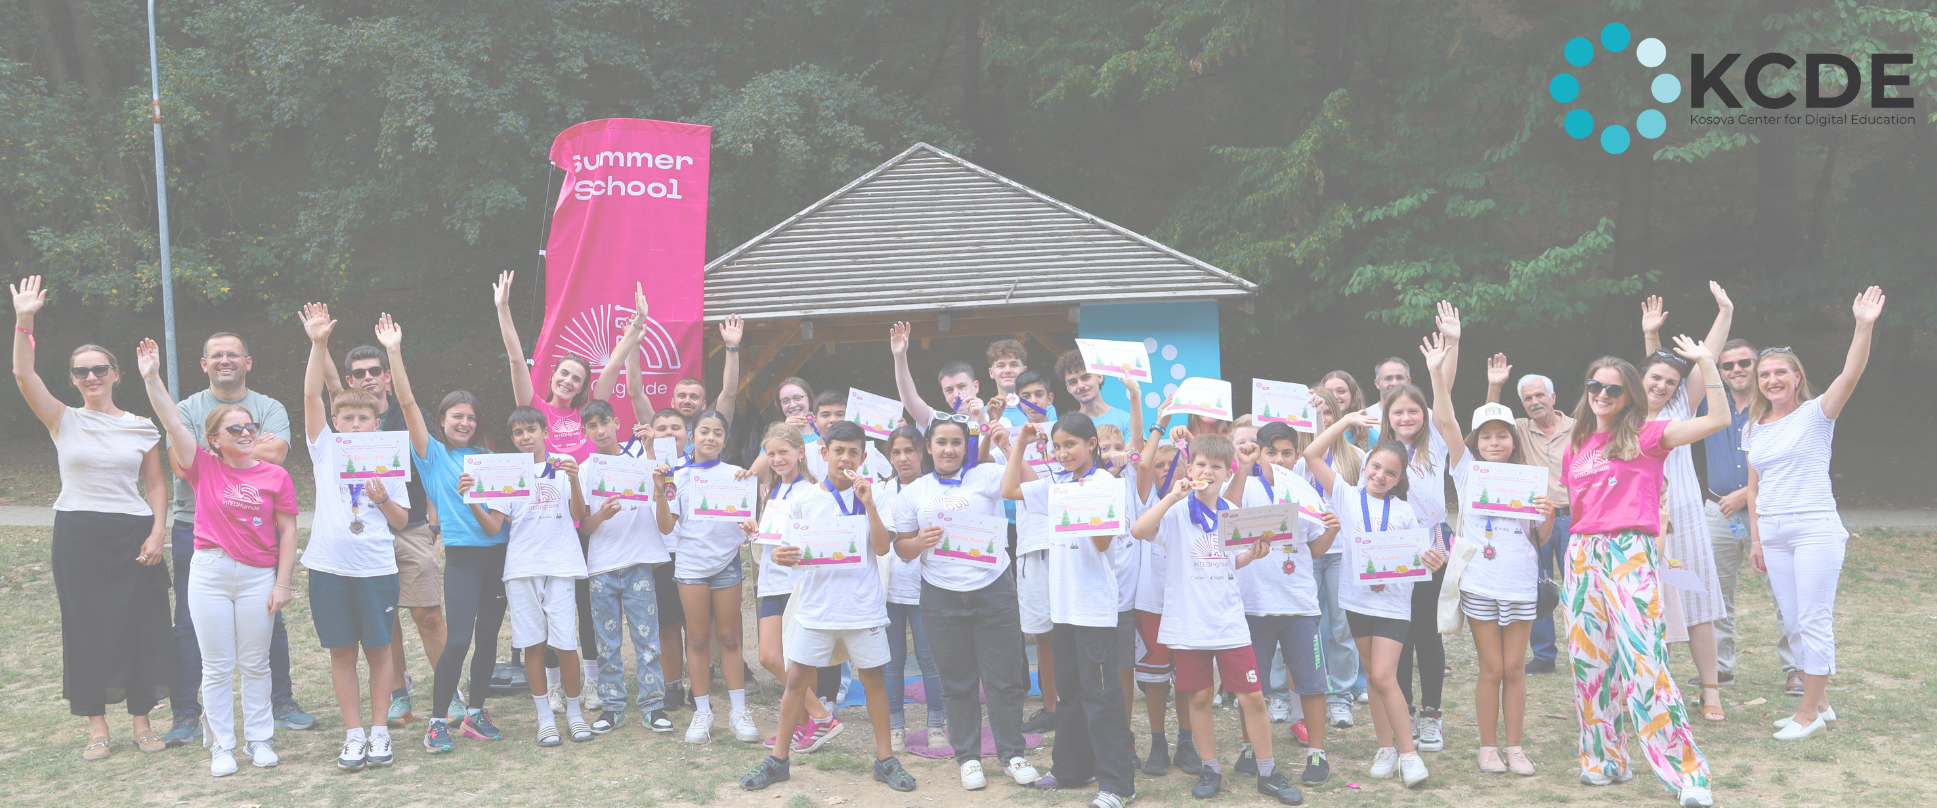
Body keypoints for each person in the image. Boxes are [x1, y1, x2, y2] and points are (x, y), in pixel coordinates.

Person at [1560, 338, 1729, 808]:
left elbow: (1718, 419)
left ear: (1629, 396)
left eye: (1614, 389)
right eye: (1595, 385)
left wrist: (1707, 363)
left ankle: (1687, 773)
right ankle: (1604, 760)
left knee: (1645, 660)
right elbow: (1583, 504)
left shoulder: (1648, 435)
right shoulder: (1577, 444)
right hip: (1581, 553)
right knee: (1589, 662)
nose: (1602, 394)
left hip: (1629, 551)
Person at [12, 276, 172, 761]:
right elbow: (23, 375)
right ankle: (96, 726)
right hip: (78, 534)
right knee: (86, 628)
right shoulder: (63, 418)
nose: (91, 376)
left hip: (131, 533)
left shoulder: (141, 426)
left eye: (100, 368)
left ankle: (142, 722)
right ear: (74, 379)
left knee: (140, 625)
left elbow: (156, 485)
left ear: (116, 373)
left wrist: (157, 532)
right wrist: (24, 320)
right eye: (81, 371)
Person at [136, 338, 300, 776]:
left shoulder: (275, 475)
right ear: (213, 440)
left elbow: (288, 531)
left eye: (250, 428)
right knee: (217, 666)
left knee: (256, 663)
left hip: (259, 576)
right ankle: (221, 746)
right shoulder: (204, 467)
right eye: (235, 430)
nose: (245, 434)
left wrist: (282, 582)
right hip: (210, 573)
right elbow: (172, 422)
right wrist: (152, 378)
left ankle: (260, 739)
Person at [739, 422, 918, 793]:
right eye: (839, 451)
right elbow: (787, 549)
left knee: (874, 680)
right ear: (825, 454)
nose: (845, 458)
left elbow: (882, 548)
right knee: (796, 680)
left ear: (863, 457)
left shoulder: (874, 494)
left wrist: (869, 505)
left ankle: (885, 759)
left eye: (853, 452)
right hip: (816, 606)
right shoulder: (804, 499)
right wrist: (781, 555)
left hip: (863, 606)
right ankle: (778, 759)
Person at [1130, 433, 1304, 804]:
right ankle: (1210, 769)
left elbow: (1231, 560)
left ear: (1227, 473)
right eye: (1201, 464)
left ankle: (1268, 773)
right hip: (1189, 622)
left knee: (1253, 697)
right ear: (1189, 468)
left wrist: (1251, 555)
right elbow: (1139, 531)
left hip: (1228, 620)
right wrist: (1171, 497)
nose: (1207, 471)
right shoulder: (1176, 510)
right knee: (1199, 697)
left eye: (1216, 466)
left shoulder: (1232, 512)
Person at [1749, 287, 1885, 740]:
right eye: (1765, 374)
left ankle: (1807, 714)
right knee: (1792, 623)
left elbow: (1851, 373)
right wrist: (1756, 539)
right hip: (1773, 532)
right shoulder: (1755, 427)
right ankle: (1822, 704)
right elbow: (1754, 488)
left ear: (1796, 377)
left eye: (1780, 373)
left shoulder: (1817, 413)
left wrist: (1862, 325)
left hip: (1813, 528)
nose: (1772, 380)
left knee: (1812, 618)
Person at [378, 315, 509, 752]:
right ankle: (437, 722)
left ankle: (475, 713)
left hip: (499, 555)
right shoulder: (431, 455)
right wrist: (394, 351)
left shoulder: (490, 457)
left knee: (488, 639)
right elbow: (408, 403)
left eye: (471, 417)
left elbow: (504, 511)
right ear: (442, 420)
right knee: (458, 639)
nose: (464, 423)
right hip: (464, 557)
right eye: (457, 416)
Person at [893, 415, 1042, 792]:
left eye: (956, 442)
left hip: (993, 589)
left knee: (1005, 679)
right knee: (957, 682)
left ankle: (1012, 754)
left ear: (967, 446)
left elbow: (1033, 488)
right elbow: (902, 548)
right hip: (940, 595)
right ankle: (968, 757)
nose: (949, 449)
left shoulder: (987, 475)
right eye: (941, 442)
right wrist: (919, 542)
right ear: (928, 447)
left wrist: (1013, 445)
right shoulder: (913, 492)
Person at [1425, 337, 1552, 777]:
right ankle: (1488, 747)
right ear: (1475, 442)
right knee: (1492, 668)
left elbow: (1540, 537)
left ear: (1513, 440)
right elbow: (1445, 419)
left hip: (1520, 581)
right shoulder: (1466, 470)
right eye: (1486, 436)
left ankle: (1515, 747)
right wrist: (1436, 373)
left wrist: (1547, 513)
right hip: (1480, 582)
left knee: (1515, 668)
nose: (1494, 442)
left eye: (1502, 435)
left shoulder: (1528, 477)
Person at [1004, 415, 1140, 807]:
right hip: (1062, 607)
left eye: (1071, 445)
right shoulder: (1056, 485)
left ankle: (1118, 784)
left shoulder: (1106, 483)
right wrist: (1019, 444)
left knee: (1102, 697)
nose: (1063, 453)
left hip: (1094, 609)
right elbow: (1009, 489)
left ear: (1092, 444)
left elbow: (1102, 542)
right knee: (1069, 694)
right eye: (1057, 446)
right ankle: (1071, 769)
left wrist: (1083, 507)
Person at [1306, 413, 1443, 789]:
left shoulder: (1404, 510)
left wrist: (1430, 559)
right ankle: (1385, 749)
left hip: (1393, 606)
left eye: (1390, 473)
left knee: (1383, 677)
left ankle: (1409, 755)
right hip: (1357, 602)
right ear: (1366, 464)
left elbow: (1418, 555)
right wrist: (1347, 420)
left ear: (1399, 479)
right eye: (1376, 467)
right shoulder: (1345, 495)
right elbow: (1313, 454)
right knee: (1376, 678)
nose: (1381, 476)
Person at [299, 303, 410, 770]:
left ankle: (380, 732)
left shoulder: (389, 455)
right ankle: (354, 734)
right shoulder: (325, 447)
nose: (356, 425)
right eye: (347, 418)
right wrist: (318, 343)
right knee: (341, 652)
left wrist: (383, 499)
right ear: (336, 422)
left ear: (375, 422)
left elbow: (401, 521)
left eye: (364, 418)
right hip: (328, 567)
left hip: (375, 567)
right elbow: (311, 396)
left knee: (380, 651)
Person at [320, 338, 445, 729]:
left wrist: (434, 521)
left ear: (387, 376)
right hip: (363, 534)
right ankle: (398, 695)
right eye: (359, 373)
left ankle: (449, 692)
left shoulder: (404, 415)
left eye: (375, 371)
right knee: (383, 622)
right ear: (349, 380)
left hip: (409, 525)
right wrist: (318, 342)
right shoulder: (350, 417)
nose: (368, 377)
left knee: (428, 614)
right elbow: (328, 389)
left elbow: (430, 465)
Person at [461, 407, 596, 746]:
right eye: (518, 433)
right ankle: (544, 718)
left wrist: (574, 478)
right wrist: (471, 499)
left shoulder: (564, 465)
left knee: (566, 645)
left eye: (531, 430)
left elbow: (578, 514)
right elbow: (493, 526)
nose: (526, 437)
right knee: (533, 645)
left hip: (561, 567)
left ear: (545, 432)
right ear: (512, 439)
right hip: (521, 569)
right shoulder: (508, 471)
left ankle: (575, 714)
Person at [1639, 286, 1735, 721]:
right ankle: (1652, 688)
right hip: (1639, 525)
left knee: (1696, 604)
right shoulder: (1619, 413)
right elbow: (1655, 368)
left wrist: (1725, 312)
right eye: (1654, 379)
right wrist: (1650, 338)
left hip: (1685, 522)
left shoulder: (1679, 405)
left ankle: (1711, 692)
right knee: (1645, 606)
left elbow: (1702, 361)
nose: (1662, 386)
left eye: (1670, 382)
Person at [1233, 422, 1343, 786]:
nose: (1279, 459)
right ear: (1259, 454)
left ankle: (1317, 753)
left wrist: (1331, 530)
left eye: (1286, 453)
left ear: (1297, 456)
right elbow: (1227, 510)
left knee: (1311, 683)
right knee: (1252, 686)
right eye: (1271, 452)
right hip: (1254, 605)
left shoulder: (1303, 490)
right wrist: (1242, 467)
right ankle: (1249, 747)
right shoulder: (1247, 485)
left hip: (1299, 605)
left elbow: (1314, 549)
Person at [1699, 337, 1799, 693]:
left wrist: (1745, 493)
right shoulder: (1708, 403)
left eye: (1744, 362)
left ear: (1756, 365)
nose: (1737, 369)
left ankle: (1796, 668)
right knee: (1715, 594)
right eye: (1728, 365)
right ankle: (1720, 667)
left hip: (1768, 511)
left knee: (1784, 591)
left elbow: (1793, 459)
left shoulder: (1776, 405)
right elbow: (1661, 382)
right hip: (1718, 512)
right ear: (1719, 371)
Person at [653, 410, 757, 744]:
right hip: (691, 567)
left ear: (725, 440)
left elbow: (749, 520)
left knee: (729, 638)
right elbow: (666, 526)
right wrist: (660, 490)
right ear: (692, 436)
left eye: (718, 433)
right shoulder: (678, 476)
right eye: (704, 431)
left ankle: (739, 711)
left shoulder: (737, 475)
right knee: (697, 639)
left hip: (726, 564)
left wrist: (749, 524)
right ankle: (702, 712)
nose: (711, 438)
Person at [1384, 302, 1460, 755]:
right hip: (1392, 550)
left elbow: (1443, 397)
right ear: (1388, 417)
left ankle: (1431, 715)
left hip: (1433, 548)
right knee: (1399, 635)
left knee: (1427, 634)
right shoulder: (1380, 454)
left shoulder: (1437, 444)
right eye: (1398, 413)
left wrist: (1451, 345)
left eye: (1414, 411)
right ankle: (1404, 712)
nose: (1407, 418)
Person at [578, 398, 675, 735]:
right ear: (585, 431)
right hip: (601, 566)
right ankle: (612, 708)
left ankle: (653, 707)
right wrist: (601, 516)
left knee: (647, 640)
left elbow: (663, 501)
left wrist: (650, 448)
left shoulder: (640, 460)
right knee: (607, 643)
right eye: (592, 426)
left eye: (605, 422)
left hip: (639, 563)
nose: (600, 430)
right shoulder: (586, 469)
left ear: (617, 423)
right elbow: (585, 527)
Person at [744, 423, 841, 752]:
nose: (776, 459)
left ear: (801, 452)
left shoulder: (812, 493)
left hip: (799, 585)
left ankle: (809, 724)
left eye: (783, 452)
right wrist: (754, 533)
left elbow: (817, 542)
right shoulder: (771, 492)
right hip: (771, 583)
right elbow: (772, 541)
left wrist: (792, 555)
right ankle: (818, 718)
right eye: (770, 453)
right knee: (770, 656)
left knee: (798, 660)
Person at [1484, 355, 1577, 676]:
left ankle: (1583, 650)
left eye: (1540, 395)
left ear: (1553, 397)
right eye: (1527, 398)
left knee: (1578, 586)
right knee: (1536, 585)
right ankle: (1544, 655)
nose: (1534, 402)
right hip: (1532, 519)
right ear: (1522, 404)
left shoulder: (1579, 428)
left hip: (1573, 517)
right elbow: (1489, 421)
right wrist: (1495, 386)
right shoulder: (1519, 429)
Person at [876, 425, 947, 752]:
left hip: (925, 587)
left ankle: (936, 724)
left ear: (923, 451)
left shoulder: (936, 489)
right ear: (888, 456)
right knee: (891, 662)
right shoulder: (879, 492)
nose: (903, 458)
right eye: (896, 452)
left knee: (930, 659)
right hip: (888, 590)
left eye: (909, 450)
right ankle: (895, 726)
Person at [1303, 386, 1368, 728]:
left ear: (1340, 416)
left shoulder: (1356, 456)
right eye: (1316, 414)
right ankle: (1301, 694)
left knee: (1342, 628)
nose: (1323, 419)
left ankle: (1340, 697)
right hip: (1305, 551)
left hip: (1342, 551)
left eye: (1328, 412)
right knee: (1304, 626)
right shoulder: (1294, 459)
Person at [1055, 349, 1135, 437]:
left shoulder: (1125, 419)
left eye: (1086, 377)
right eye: (1073, 382)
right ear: (1068, 388)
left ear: (1099, 377)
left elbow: (1136, 446)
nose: (1080, 386)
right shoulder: (1067, 427)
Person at [989, 339, 1057, 425]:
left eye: (1014, 365)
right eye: (1001, 365)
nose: (1007, 370)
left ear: (1024, 370)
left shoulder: (1045, 408)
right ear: (991, 372)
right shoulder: (983, 412)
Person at [1363, 357, 1413, 442]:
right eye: (1388, 378)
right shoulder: (1365, 417)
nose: (1394, 383)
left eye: (1399, 378)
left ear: (1408, 381)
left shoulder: (1426, 415)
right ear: (1377, 383)